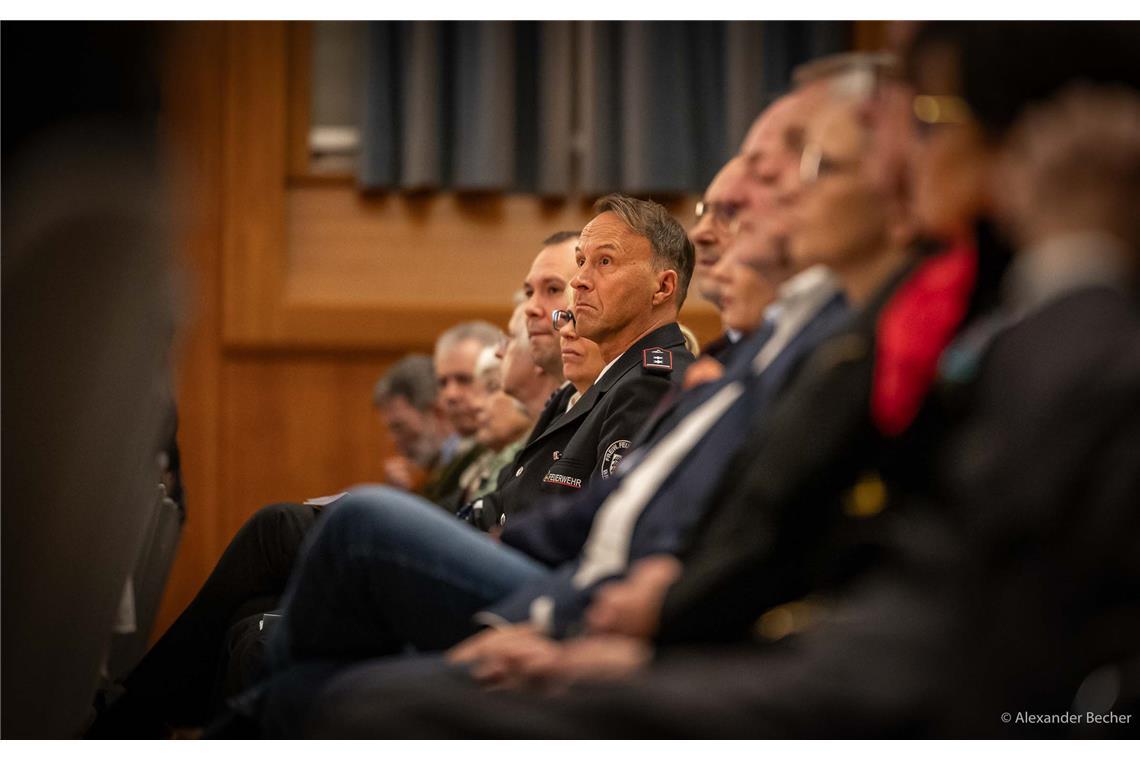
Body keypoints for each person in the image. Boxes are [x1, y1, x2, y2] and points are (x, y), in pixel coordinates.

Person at [299, 25, 1140, 739]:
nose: (898, 158)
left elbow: (844, 548)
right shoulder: (881, 320)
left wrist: (651, 632)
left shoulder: (981, 319)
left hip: (896, 694)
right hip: (795, 643)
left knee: (367, 683)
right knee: (335, 669)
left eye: (920, 122)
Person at [371, 354, 450, 496]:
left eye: (399, 427)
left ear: (436, 413)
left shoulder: (470, 466)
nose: (393, 440)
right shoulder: (438, 472)